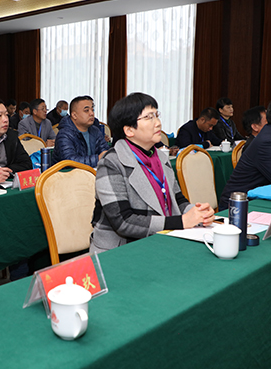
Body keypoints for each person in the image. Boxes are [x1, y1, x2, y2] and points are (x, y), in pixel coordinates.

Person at [89, 93, 215, 253]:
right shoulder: (111, 162)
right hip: (120, 249)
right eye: (149, 117)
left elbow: (178, 200)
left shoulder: (161, 158)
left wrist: (197, 212)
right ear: (129, 130)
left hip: (161, 238)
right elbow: (123, 222)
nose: (158, 123)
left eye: (157, 115)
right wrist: (181, 221)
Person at [53, 96, 109, 167]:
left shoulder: (95, 131)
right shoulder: (64, 134)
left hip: (92, 172)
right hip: (67, 173)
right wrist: (97, 159)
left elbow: (105, 152)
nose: (92, 113)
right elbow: (69, 161)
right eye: (86, 110)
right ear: (74, 115)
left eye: (92, 110)